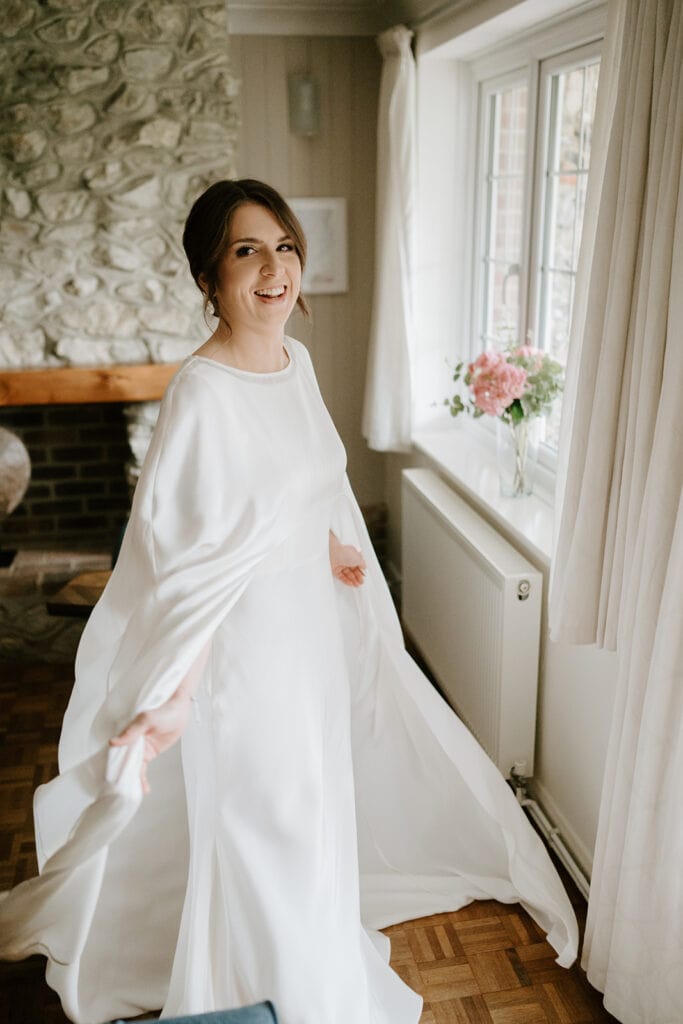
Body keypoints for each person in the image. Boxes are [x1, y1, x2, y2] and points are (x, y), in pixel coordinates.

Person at [0, 179, 578, 1024]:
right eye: (246, 251)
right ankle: (275, 994)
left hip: (305, 636)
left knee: (309, 812)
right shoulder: (200, 395)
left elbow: (307, 482)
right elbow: (188, 565)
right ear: (209, 275)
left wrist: (332, 545)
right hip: (239, 657)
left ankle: (303, 965)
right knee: (265, 820)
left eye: (284, 247)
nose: (274, 269)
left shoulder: (294, 363)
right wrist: (178, 699)